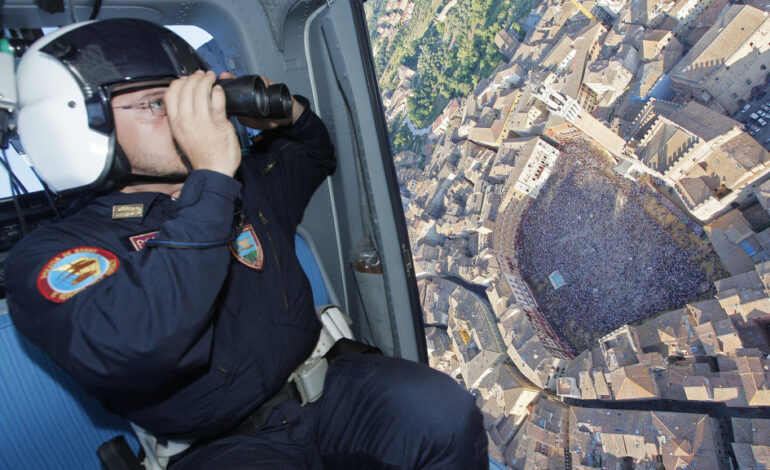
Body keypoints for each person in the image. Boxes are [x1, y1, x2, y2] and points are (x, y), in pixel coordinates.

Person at [5, 18, 487, 470]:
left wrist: (277, 109)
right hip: (220, 447)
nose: (185, 119)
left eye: (188, 101)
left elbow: (313, 151)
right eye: (156, 103)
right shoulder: (54, 257)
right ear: (80, 128)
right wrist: (210, 176)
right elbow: (140, 342)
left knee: (444, 414)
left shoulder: (244, 184)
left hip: (326, 391)